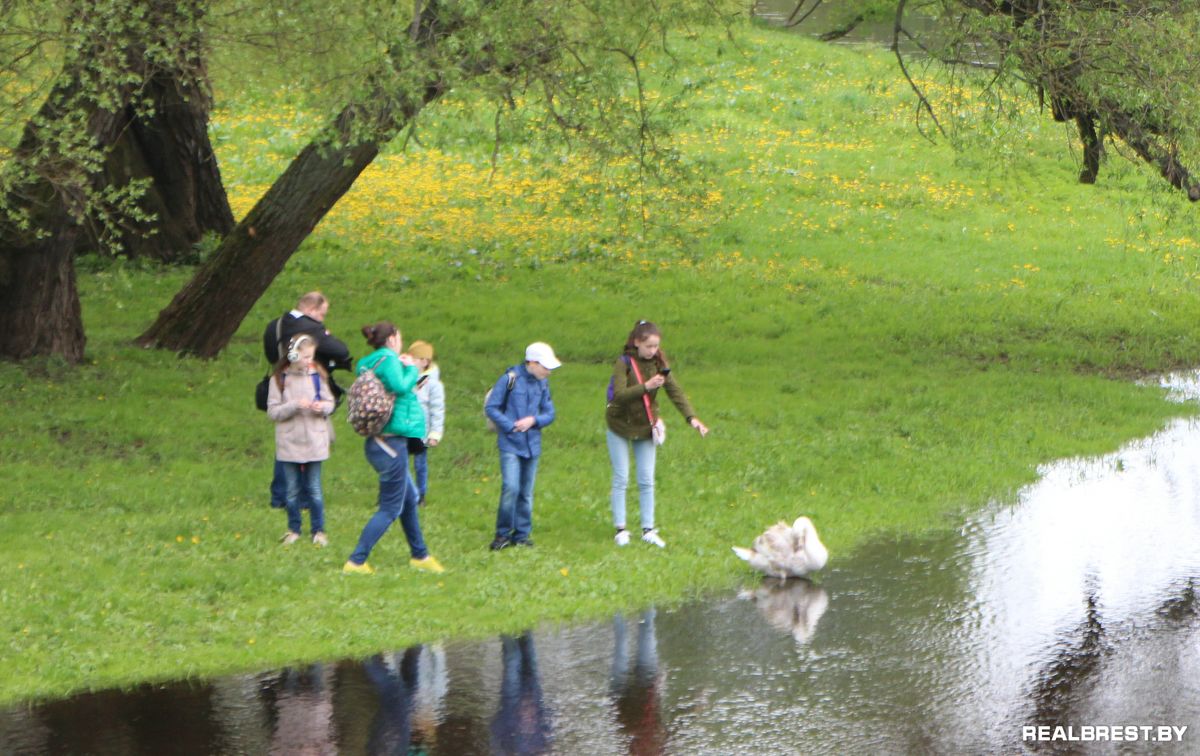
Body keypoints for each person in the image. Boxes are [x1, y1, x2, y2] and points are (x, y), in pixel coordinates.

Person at [343, 321, 444, 575]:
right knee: (390, 507)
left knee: (409, 498)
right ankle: (356, 561)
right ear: (392, 339)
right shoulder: (389, 359)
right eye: (399, 336)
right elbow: (401, 386)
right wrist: (410, 368)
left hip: (381, 442)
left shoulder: (369, 362)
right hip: (390, 443)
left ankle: (420, 555)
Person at [605, 320, 709, 548]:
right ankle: (621, 529)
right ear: (637, 343)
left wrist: (692, 419)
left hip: (645, 426)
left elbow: (675, 391)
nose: (653, 351)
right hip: (619, 425)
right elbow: (619, 395)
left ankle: (648, 529)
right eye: (649, 346)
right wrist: (647, 386)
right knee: (621, 477)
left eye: (655, 346)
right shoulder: (623, 363)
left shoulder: (659, 363)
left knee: (646, 479)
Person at [263, 292, 353, 510]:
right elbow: (340, 350)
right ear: (312, 310)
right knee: (304, 443)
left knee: (286, 442)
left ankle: (280, 495)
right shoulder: (310, 327)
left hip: (280, 382)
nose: (322, 319)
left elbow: (269, 351)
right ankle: (299, 497)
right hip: (303, 385)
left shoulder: (275, 325)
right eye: (321, 314)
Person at [485, 342, 560, 551]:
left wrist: (533, 421)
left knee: (526, 492)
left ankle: (522, 534)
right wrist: (510, 426)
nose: (548, 372)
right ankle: (502, 535)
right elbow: (492, 407)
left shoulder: (542, 384)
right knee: (511, 487)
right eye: (545, 367)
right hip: (510, 443)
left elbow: (550, 413)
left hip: (532, 445)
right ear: (532, 362)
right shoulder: (510, 380)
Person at [266, 334, 335, 546]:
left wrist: (320, 407)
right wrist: (294, 405)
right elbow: (273, 412)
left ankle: (319, 530)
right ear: (293, 355)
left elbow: (330, 402)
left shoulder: (318, 376)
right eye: (305, 356)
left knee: (314, 489)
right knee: (292, 490)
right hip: (290, 442)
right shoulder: (279, 379)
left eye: (311, 356)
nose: (309, 361)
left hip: (315, 440)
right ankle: (293, 529)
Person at [406, 340, 445, 507]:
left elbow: (437, 410)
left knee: (420, 464)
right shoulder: (406, 378)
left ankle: (420, 495)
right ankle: (402, 492)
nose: (411, 362)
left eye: (414, 359)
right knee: (400, 463)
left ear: (425, 361)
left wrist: (435, 434)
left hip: (422, 431)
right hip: (403, 429)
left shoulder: (433, 384)